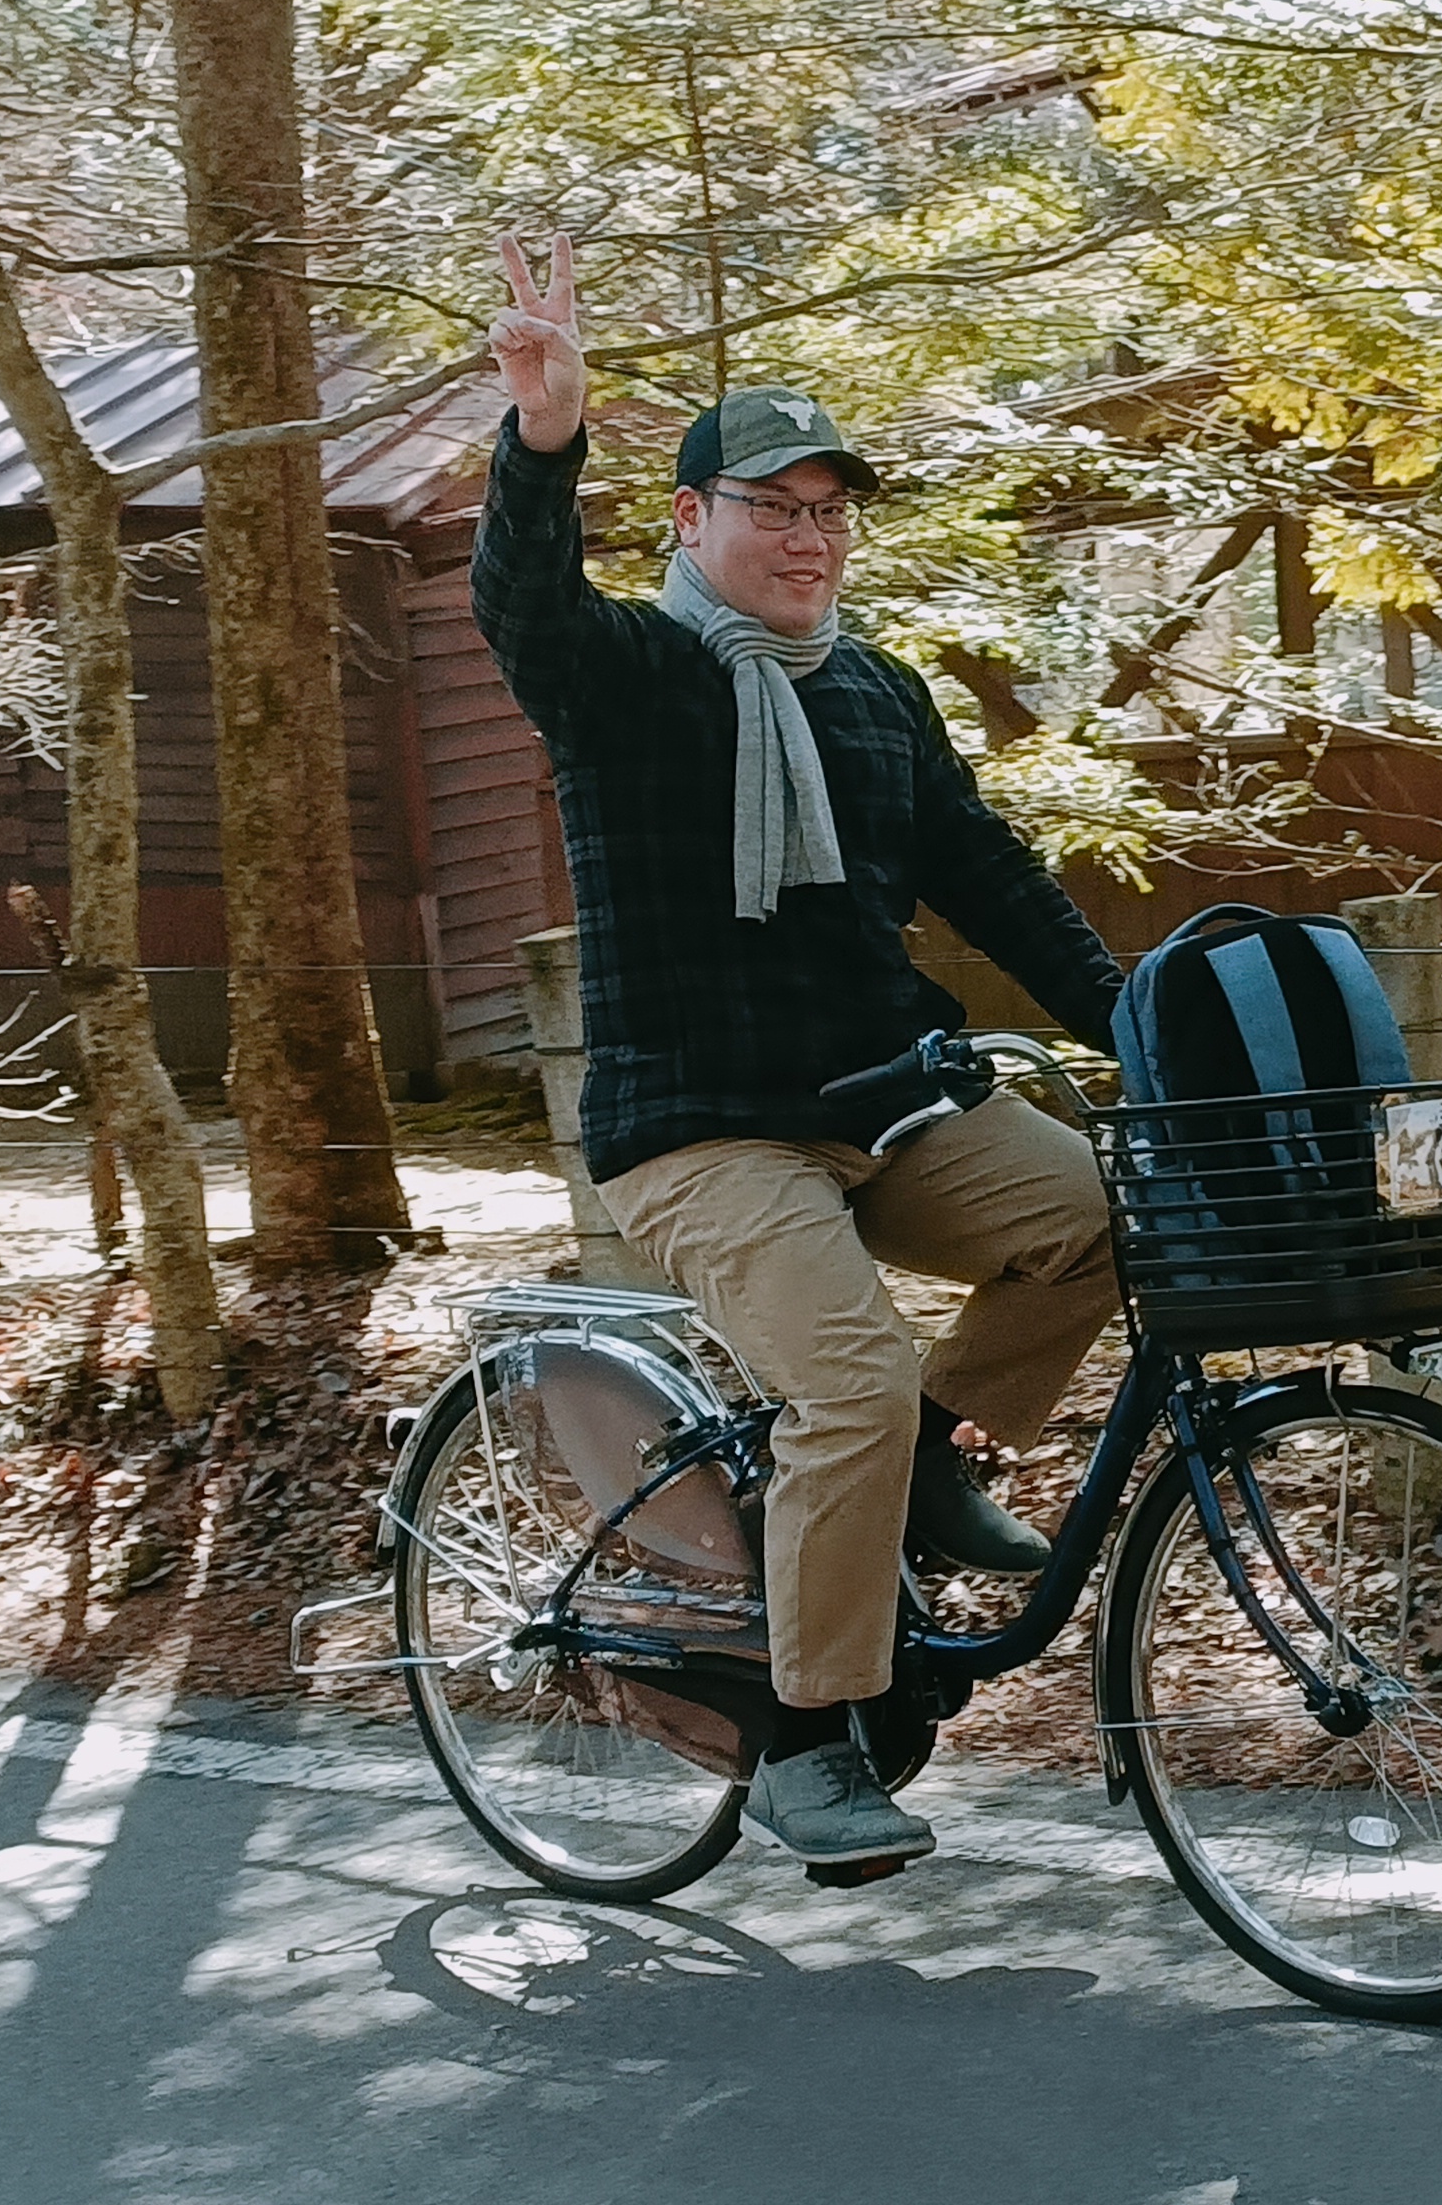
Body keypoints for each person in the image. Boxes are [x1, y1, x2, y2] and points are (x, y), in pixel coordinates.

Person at [468, 231, 1128, 1871]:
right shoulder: (634, 673)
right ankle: (817, 1733)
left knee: (1109, 1214)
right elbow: (523, 608)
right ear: (693, 521)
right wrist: (545, 440)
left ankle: (919, 1467)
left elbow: (995, 882)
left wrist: (1143, 1021)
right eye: (775, 507)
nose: (810, 538)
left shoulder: (878, 693)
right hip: (700, 1130)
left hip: (888, 1103)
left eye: (830, 511)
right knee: (846, 1383)